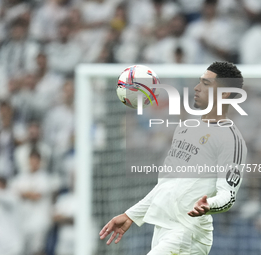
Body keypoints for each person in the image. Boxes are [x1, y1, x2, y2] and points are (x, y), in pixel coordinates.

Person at [100, 61, 247, 255]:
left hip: (188, 233)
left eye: (206, 84)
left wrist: (208, 205)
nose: (197, 88)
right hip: (163, 229)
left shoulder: (231, 140)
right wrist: (131, 215)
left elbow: (228, 196)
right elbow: (166, 185)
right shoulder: (186, 128)